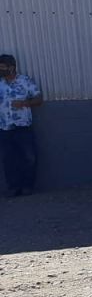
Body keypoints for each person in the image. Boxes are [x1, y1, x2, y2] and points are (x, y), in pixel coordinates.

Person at [0, 54, 43, 197]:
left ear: (11, 68)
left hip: (23, 126)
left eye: (3, 67)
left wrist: (24, 103)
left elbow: (38, 99)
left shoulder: (25, 81)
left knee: (29, 157)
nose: (1, 70)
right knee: (8, 159)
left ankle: (27, 186)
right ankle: (13, 188)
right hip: (5, 128)